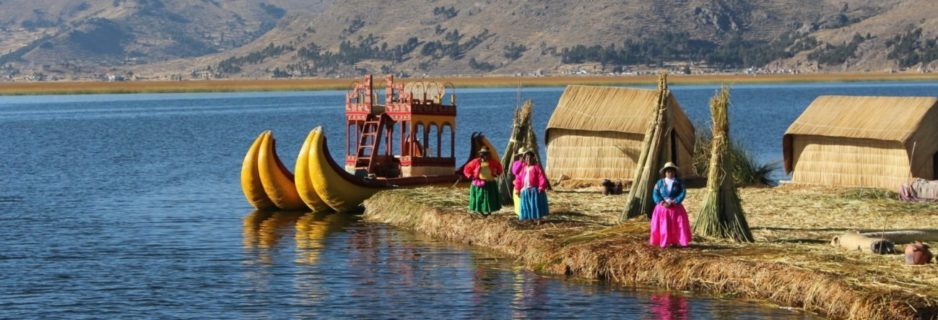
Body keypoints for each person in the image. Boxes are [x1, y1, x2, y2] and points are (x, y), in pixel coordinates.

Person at [649, 162, 692, 248]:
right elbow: (655, 193)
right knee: (664, 225)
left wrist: (674, 201)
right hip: (662, 209)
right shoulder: (660, 183)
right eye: (668, 171)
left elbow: (682, 193)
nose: (670, 173)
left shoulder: (679, 183)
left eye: (672, 171)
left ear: (675, 172)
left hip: (676, 209)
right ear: (665, 172)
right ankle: (663, 242)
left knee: (676, 225)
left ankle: (675, 241)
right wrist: (662, 202)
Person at [463, 147, 503, 216]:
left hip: (490, 182)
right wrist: (470, 176)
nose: (485, 156)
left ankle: (489, 211)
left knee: (489, 198)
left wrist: (498, 172)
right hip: (479, 183)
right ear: (481, 154)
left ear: (489, 155)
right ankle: (480, 211)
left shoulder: (492, 161)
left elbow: (499, 167)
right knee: (479, 198)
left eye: (486, 154)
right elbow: (466, 168)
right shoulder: (476, 161)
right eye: (483, 154)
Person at [514, 150, 549, 222]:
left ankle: (537, 218)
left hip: (534, 190)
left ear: (533, 158)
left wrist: (541, 186)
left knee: (535, 204)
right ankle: (529, 218)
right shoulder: (523, 168)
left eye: (530, 158)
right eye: (527, 158)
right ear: (524, 159)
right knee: (527, 204)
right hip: (525, 190)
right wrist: (517, 188)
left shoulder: (536, 167)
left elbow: (541, 177)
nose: (528, 160)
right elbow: (519, 179)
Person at [511, 147, 529, 216]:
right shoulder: (516, 163)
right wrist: (520, 163)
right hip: (518, 185)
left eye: (525, 155)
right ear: (519, 156)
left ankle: (527, 213)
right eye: (522, 155)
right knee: (518, 200)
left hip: (526, 185)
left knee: (526, 200)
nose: (523, 157)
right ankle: (520, 214)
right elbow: (514, 172)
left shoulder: (528, 163)